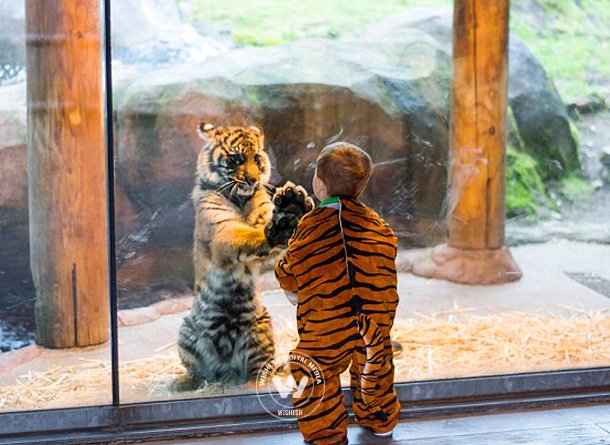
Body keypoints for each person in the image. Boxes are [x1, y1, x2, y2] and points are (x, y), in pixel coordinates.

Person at [275, 142, 401, 445]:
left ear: (318, 184)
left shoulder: (309, 227)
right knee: (374, 362)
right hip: (374, 316)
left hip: (327, 323)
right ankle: (379, 420)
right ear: (362, 187)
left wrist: (292, 284)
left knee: (316, 369)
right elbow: (386, 260)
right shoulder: (379, 226)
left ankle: (325, 434)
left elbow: (288, 271)